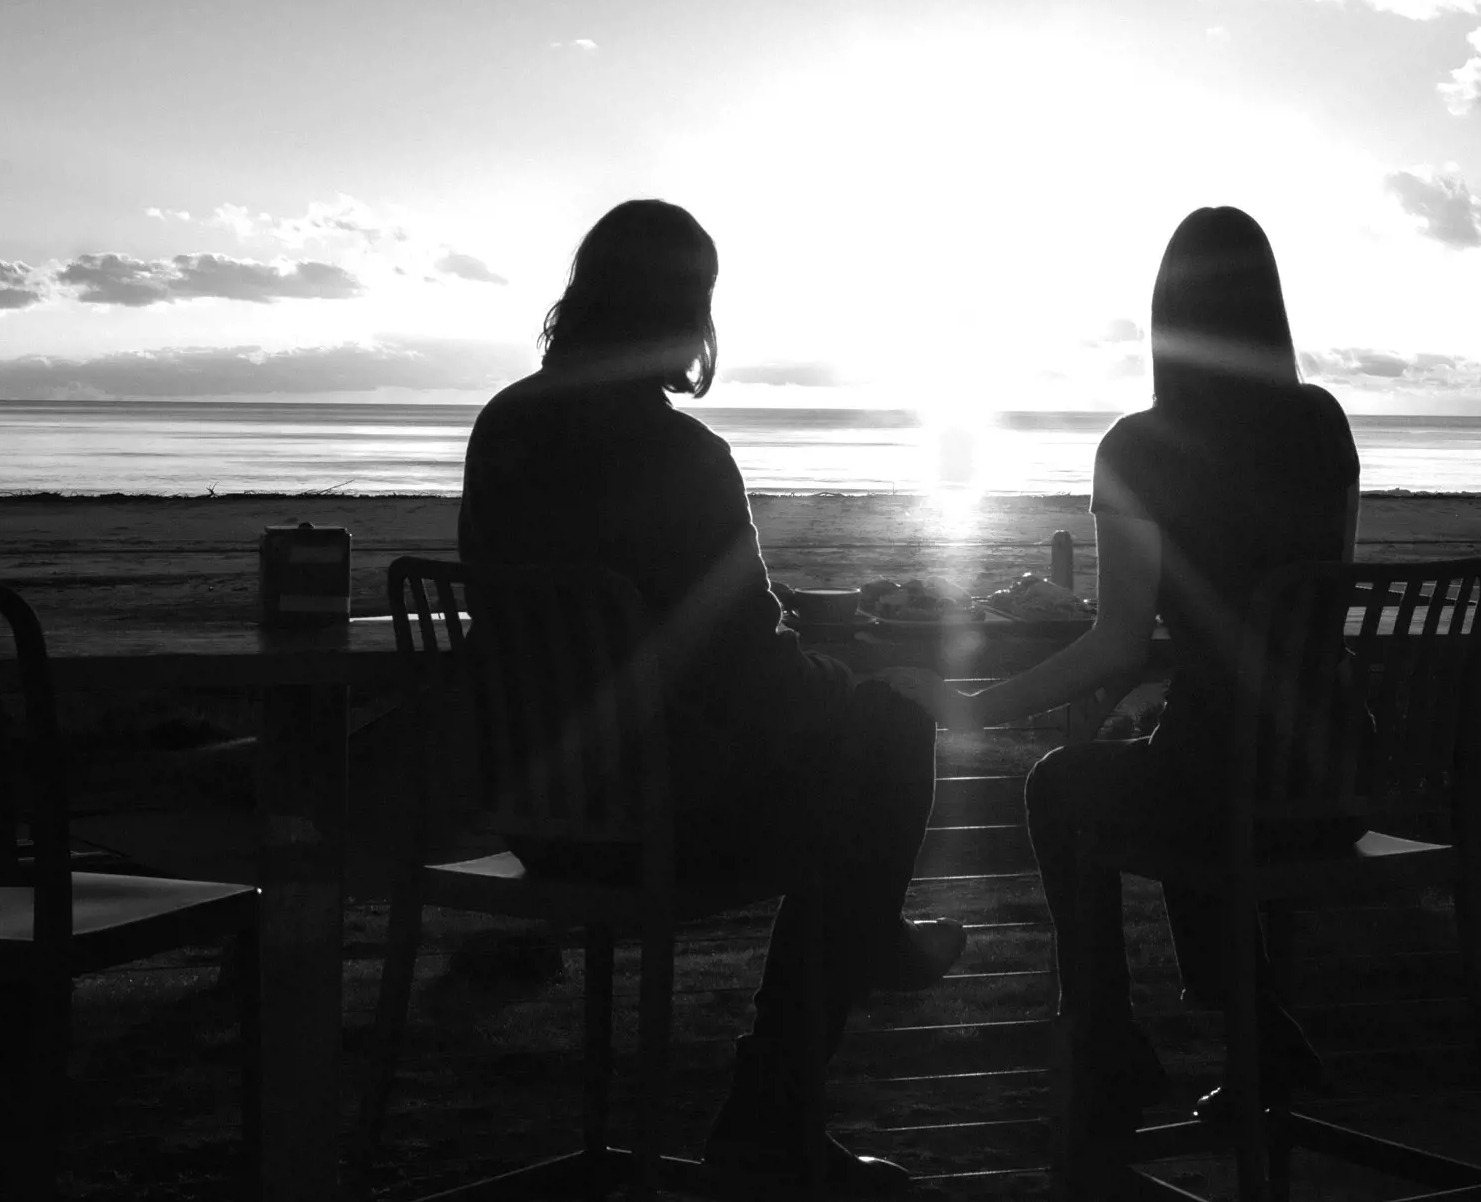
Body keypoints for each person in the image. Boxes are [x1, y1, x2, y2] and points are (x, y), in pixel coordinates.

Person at [458, 198, 966, 1193]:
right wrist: (847, 683)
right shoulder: (684, 457)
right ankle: (778, 1104)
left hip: (539, 810)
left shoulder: (503, 425)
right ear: (694, 313)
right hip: (666, 819)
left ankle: (871, 940)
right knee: (892, 733)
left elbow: (543, 617)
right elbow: (747, 666)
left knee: (857, 768)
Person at [891, 206, 1362, 1135]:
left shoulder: (1141, 447)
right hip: (1333, 772)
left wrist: (980, 706)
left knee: (1067, 788)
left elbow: (1114, 638)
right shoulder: (1324, 424)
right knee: (1170, 763)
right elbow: (1314, 600)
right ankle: (1261, 1038)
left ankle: (1106, 1041)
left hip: (1224, 775)